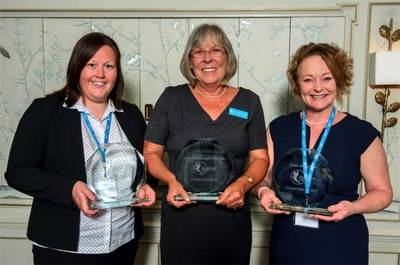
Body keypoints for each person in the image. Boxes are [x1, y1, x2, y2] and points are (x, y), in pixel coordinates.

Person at [5, 32, 156, 265]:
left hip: (122, 244)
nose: (100, 74)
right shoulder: (46, 111)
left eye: (109, 66)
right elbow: (17, 172)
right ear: (77, 69)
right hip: (62, 250)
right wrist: (70, 188)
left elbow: (145, 169)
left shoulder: (131, 115)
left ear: (117, 73)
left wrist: (145, 186)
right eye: (91, 65)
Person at [252, 42, 393, 264]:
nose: (318, 87)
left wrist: (353, 207)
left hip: (340, 242)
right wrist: (262, 192)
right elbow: (259, 177)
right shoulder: (279, 128)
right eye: (308, 79)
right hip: (289, 241)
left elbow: (383, 192)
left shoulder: (361, 133)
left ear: (338, 80)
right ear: (298, 84)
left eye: (327, 78)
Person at [143, 23, 269, 264]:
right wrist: (170, 181)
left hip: (231, 222)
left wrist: (244, 184)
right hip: (182, 220)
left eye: (216, 50)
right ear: (190, 61)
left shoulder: (249, 101)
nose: (207, 58)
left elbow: (260, 158)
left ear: (227, 56)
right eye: (198, 51)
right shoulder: (172, 98)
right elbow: (150, 153)